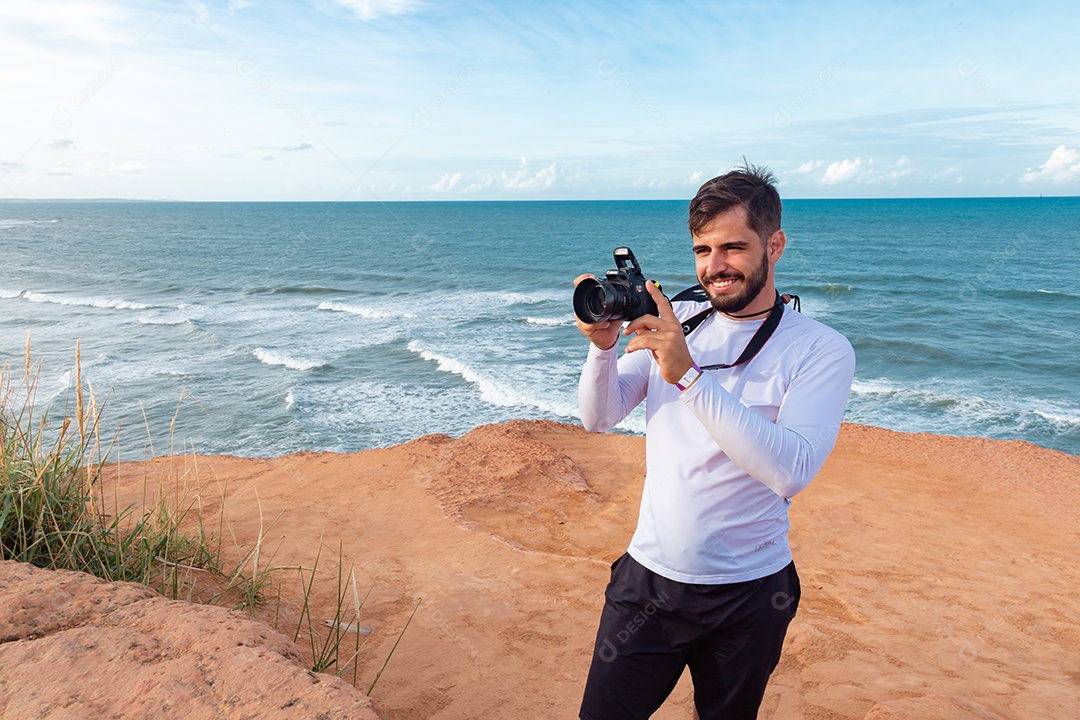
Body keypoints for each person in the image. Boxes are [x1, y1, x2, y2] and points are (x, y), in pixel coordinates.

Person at [575, 163, 856, 720]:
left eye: (733, 247)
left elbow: (790, 469)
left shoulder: (820, 349)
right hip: (648, 583)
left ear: (774, 245)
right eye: (702, 250)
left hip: (750, 594)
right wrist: (603, 349)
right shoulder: (676, 319)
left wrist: (688, 374)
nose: (715, 267)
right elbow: (599, 417)